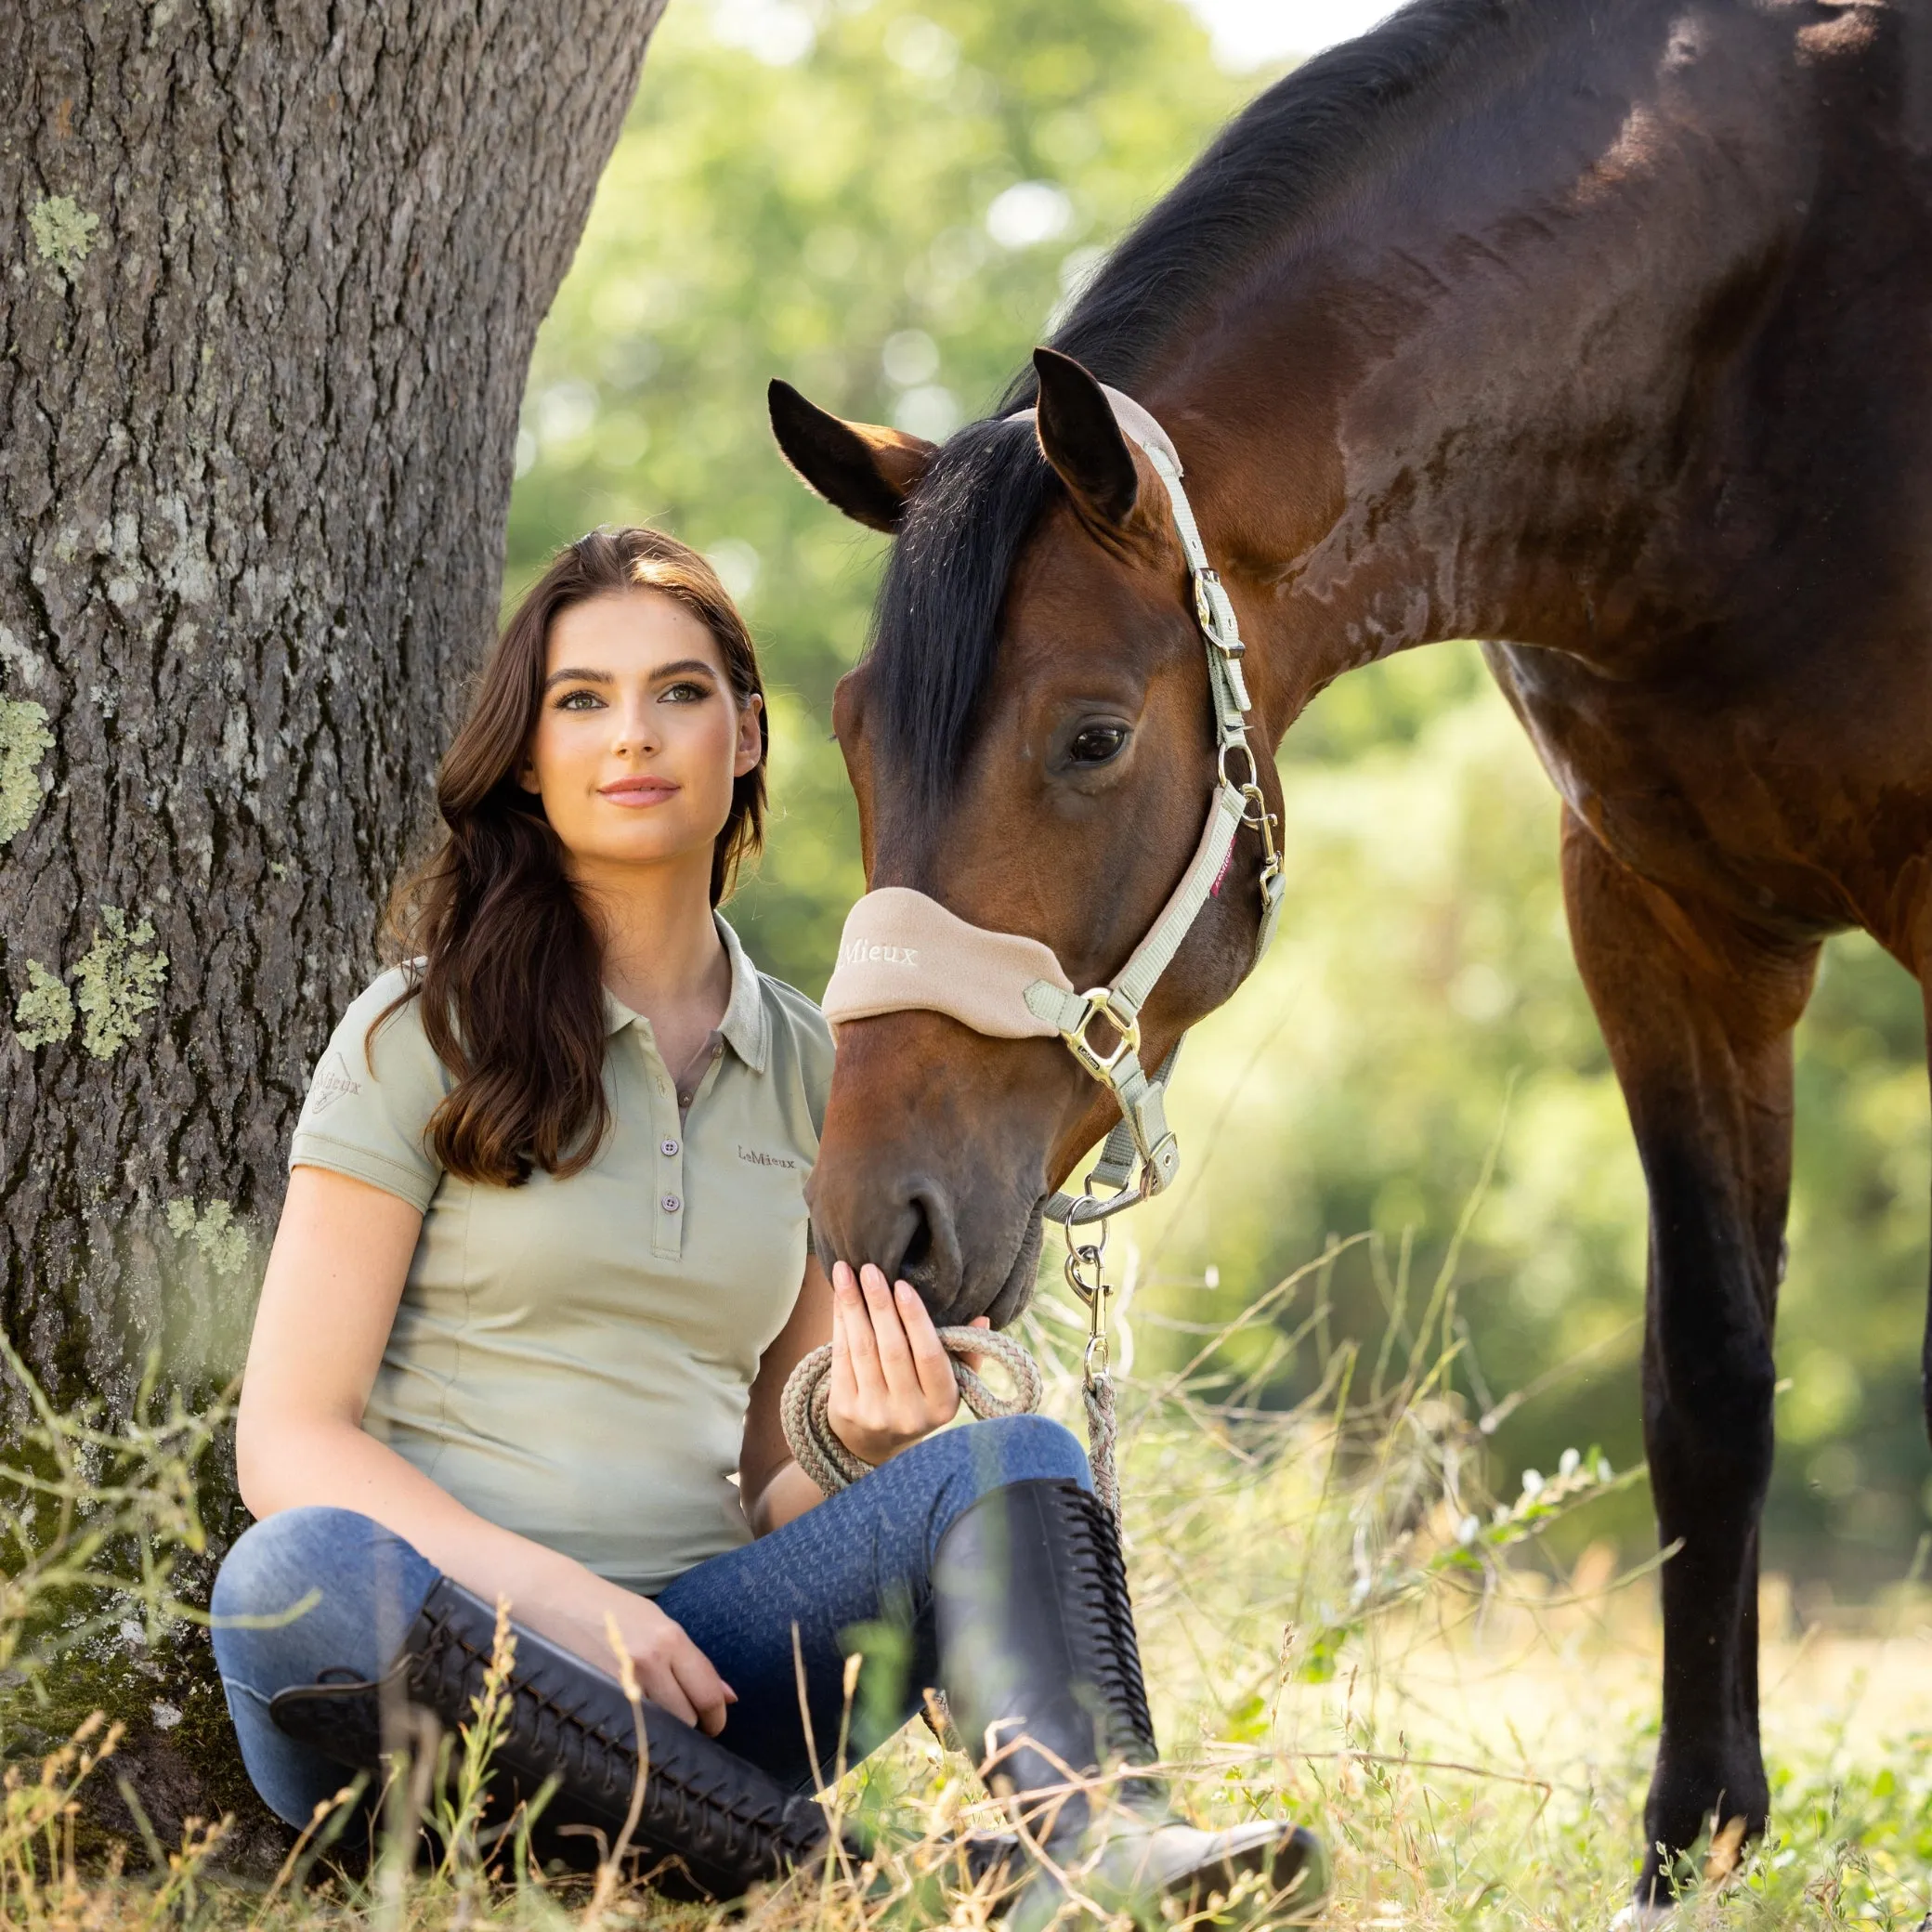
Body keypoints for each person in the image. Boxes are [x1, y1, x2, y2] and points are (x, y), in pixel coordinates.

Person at [209, 526, 1325, 1925]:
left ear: (745, 734)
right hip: (426, 1667)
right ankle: (880, 1890)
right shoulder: (420, 1034)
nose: (633, 736)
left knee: (1010, 1455)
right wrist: (567, 1606)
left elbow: (766, 1492)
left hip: (708, 1670)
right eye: (581, 699)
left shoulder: (819, 1070)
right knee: (294, 1575)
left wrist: (855, 1444)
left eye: (679, 692)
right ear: (529, 753)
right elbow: (289, 1440)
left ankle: (1095, 1831)